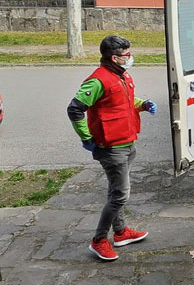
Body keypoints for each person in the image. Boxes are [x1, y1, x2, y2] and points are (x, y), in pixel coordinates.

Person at [67, 35, 156, 261]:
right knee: (120, 195)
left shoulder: (122, 75)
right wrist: (87, 139)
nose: (130, 57)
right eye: (127, 54)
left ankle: (121, 232)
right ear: (114, 57)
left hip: (127, 142)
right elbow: (75, 109)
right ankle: (98, 240)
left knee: (116, 191)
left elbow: (126, 101)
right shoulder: (97, 81)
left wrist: (143, 104)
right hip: (111, 147)